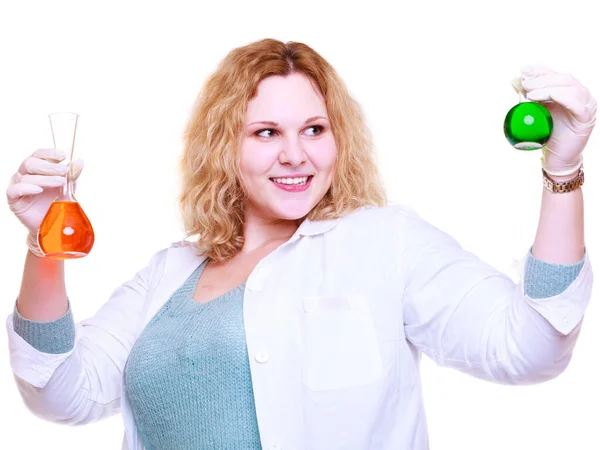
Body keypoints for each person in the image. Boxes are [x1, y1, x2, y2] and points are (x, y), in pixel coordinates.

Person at [5, 38, 596, 450]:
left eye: (314, 129)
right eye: (267, 132)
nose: (296, 154)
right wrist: (44, 245)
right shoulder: (166, 274)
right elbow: (59, 394)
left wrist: (562, 173)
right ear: (222, 149)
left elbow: (533, 347)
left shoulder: (385, 243)